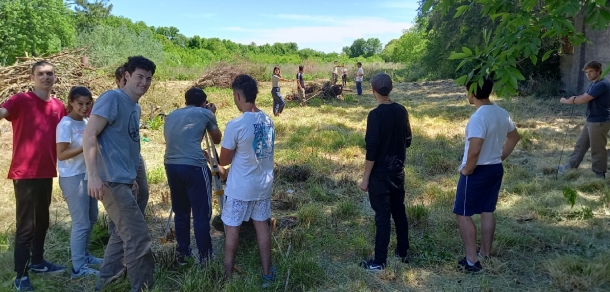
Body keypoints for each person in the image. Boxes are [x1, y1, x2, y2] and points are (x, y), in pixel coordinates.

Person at [83, 56, 156, 292]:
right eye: (139, 77)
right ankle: (142, 288)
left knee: (120, 231)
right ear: (126, 75)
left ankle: (106, 282)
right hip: (110, 180)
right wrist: (94, 176)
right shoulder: (112, 98)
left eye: (148, 78)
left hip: (124, 178)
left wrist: (134, 176)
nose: (144, 82)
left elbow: (130, 144)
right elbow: (90, 135)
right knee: (138, 237)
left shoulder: (135, 106)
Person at [0, 61, 67, 291]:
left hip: (47, 171)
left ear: (55, 77)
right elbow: (2, 113)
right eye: (40, 74)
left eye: (49, 73)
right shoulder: (21, 100)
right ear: (32, 77)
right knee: (26, 225)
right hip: (25, 172)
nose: (45, 77)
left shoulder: (59, 106)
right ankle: (21, 275)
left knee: (43, 221)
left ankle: (38, 262)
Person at [454, 76, 520, 273]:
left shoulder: (478, 117)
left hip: (477, 170)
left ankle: (472, 261)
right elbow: (514, 137)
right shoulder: (501, 112)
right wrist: (501, 156)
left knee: (463, 213)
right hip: (495, 168)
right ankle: (485, 252)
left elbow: (475, 149)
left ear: (472, 92)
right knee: (487, 210)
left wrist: (467, 169)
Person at [219, 74, 276, 288]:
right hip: (263, 185)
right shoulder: (268, 120)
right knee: (262, 227)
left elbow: (224, 160)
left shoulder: (236, 124)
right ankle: (267, 273)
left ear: (238, 96)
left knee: (232, 228)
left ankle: (227, 275)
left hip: (240, 187)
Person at [358, 73, 412, 271]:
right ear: (390, 89)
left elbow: (372, 149)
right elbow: (408, 140)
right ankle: (403, 252)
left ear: (373, 91)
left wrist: (365, 179)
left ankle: (379, 261)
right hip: (398, 171)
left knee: (382, 217)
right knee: (399, 211)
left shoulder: (375, 115)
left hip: (380, 175)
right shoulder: (401, 111)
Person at [163, 87, 222, 265]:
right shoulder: (206, 114)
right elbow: (217, 138)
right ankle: (205, 257)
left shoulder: (172, 115)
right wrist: (211, 114)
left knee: (181, 212)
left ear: (185, 102)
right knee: (201, 214)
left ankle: (183, 254)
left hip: (171, 165)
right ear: (204, 103)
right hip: (194, 166)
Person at [56, 87, 103, 279]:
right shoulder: (65, 124)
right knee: (81, 223)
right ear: (71, 103)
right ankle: (78, 267)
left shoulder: (86, 122)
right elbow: (61, 154)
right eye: (80, 104)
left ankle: (85, 256)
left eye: (88, 103)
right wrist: (85, 146)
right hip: (72, 177)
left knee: (92, 217)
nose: (84, 107)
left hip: (88, 175)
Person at [558, 61, 610, 178]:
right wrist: (575, 98)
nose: (588, 74)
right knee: (580, 145)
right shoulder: (594, 83)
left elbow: (584, 99)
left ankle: (599, 174)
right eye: (587, 72)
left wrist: (566, 101)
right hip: (592, 120)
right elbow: (584, 96)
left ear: (598, 71)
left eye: (591, 71)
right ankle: (570, 166)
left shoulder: (601, 84)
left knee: (597, 149)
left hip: (599, 121)